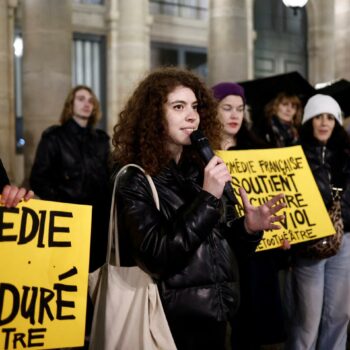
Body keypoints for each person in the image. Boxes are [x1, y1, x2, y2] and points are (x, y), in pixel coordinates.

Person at [112, 67, 286, 350]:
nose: (192, 116)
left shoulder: (198, 170)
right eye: (178, 107)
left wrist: (248, 228)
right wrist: (207, 197)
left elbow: (221, 249)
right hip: (167, 322)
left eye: (194, 107)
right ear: (154, 114)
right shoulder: (134, 177)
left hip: (216, 315)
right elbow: (157, 255)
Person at [30, 85, 111, 349]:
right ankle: (70, 335)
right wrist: (64, 204)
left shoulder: (101, 139)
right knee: (68, 278)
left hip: (98, 220)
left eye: (90, 99)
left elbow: (109, 179)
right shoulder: (54, 137)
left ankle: (93, 334)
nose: (87, 103)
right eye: (80, 99)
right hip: (68, 220)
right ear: (71, 104)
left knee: (96, 278)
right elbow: (39, 179)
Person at [212, 82, 289, 349]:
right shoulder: (201, 155)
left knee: (262, 326)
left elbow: (274, 199)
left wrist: (282, 232)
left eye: (240, 109)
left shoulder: (257, 149)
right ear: (213, 110)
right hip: (225, 251)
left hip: (260, 249)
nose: (235, 115)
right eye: (227, 108)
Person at [285, 94, 350, 350]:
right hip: (308, 242)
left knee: (338, 315)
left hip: (344, 240)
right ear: (309, 121)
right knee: (307, 320)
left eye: (329, 117)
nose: (324, 123)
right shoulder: (294, 156)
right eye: (318, 117)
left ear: (336, 122)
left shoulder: (346, 155)